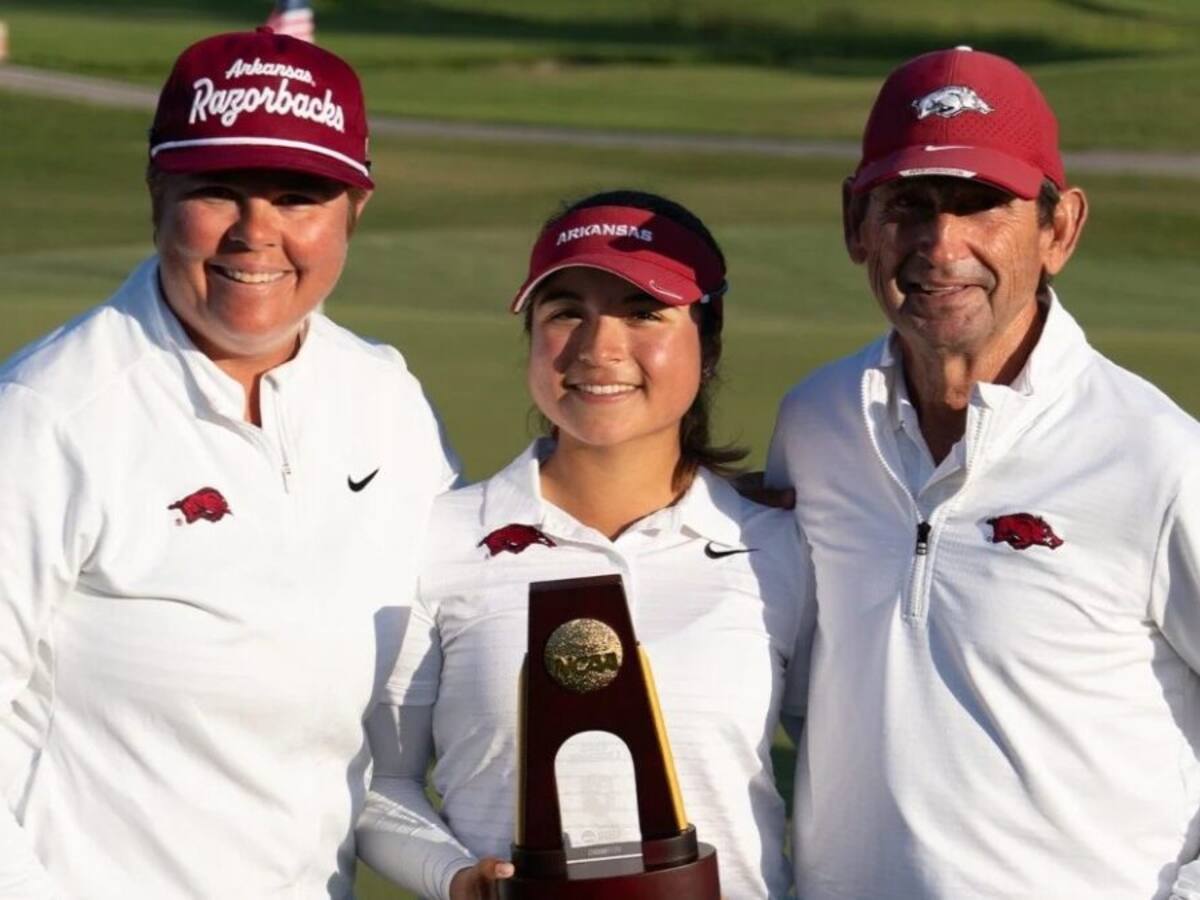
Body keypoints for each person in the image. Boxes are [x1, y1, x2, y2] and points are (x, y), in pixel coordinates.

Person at [0, 27, 458, 897]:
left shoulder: (387, 401)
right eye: (218, 191)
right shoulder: (46, 414)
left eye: (299, 197)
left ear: (355, 210)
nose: (258, 234)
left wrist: (462, 877)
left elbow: (387, 757)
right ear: (156, 191)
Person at [766, 46, 1200, 899]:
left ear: (1060, 228)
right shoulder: (815, 422)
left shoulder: (1158, 455)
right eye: (910, 205)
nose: (940, 243)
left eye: (980, 204)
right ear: (857, 225)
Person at [357, 191, 814, 900]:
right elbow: (379, 779)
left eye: (643, 312)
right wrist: (453, 878)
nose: (600, 348)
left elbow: (848, 785)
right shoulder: (437, 538)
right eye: (566, 310)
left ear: (708, 340)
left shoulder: (782, 547)